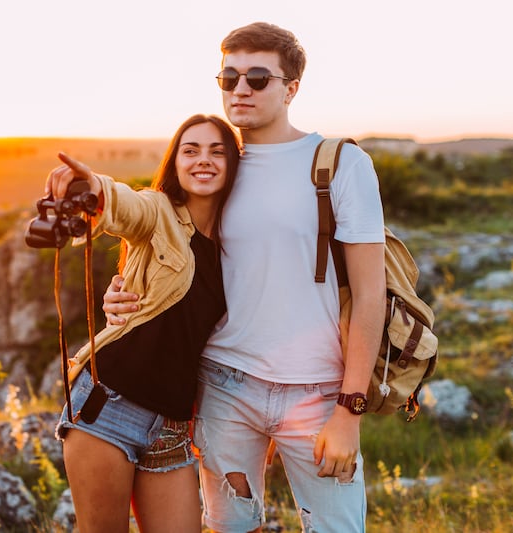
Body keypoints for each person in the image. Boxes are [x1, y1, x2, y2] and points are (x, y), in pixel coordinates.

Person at [102, 22, 386, 532]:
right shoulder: (217, 166)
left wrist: (350, 410)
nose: (240, 90)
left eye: (258, 78)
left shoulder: (341, 163)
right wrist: (125, 291)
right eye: (229, 77)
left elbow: (371, 294)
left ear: (291, 88)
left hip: (318, 392)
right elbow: (163, 237)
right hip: (225, 384)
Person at [46, 114, 241, 533]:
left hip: (171, 426)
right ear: (175, 163)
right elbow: (123, 205)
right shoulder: (160, 213)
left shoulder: (240, 244)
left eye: (216, 151)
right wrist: (94, 186)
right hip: (106, 407)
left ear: (233, 164)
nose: (203, 160)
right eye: (190, 151)